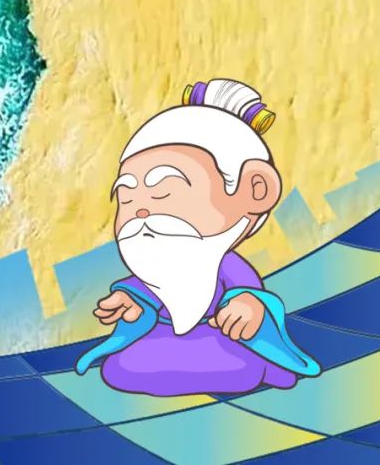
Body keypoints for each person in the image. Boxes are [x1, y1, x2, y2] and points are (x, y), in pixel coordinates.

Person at [76, 78, 320, 398]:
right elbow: (149, 291)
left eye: (165, 191)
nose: (141, 211)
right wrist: (132, 303)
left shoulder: (225, 265)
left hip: (217, 338)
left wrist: (248, 308)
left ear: (256, 190)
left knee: (236, 363)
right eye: (127, 198)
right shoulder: (161, 265)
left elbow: (251, 295)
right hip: (164, 338)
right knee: (121, 365)